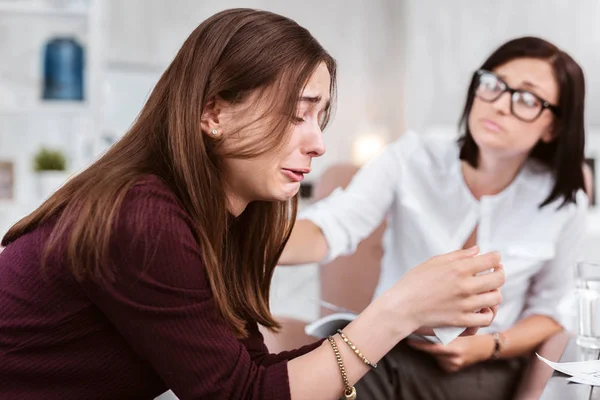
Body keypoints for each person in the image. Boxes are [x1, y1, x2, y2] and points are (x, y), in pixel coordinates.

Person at [0, 8, 504, 400]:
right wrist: (395, 310)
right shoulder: (144, 216)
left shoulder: (224, 217)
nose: (318, 144)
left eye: (319, 119)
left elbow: (251, 375)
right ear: (213, 112)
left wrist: (402, 323)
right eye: (296, 113)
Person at [280, 36, 590, 400]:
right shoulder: (414, 156)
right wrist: (232, 239)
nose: (500, 106)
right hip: (389, 342)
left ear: (553, 125)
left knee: (345, 377)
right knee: (336, 368)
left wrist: (485, 347)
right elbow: (330, 228)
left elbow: (552, 312)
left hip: (486, 364)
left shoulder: (562, 203)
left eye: (525, 98)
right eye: (493, 84)